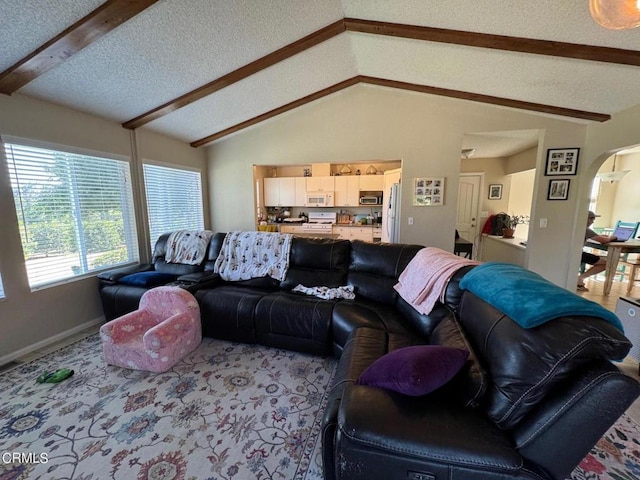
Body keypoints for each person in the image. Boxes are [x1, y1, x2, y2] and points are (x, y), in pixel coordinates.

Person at [577, 211, 618, 291]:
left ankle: (579, 279)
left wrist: (602, 236)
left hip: (575, 252)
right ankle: (580, 279)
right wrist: (612, 237)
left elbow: (598, 237)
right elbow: (603, 241)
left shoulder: (579, 227)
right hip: (578, 254)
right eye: (591, 219)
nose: (592, 221)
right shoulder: (585, 229)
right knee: (605, 264)